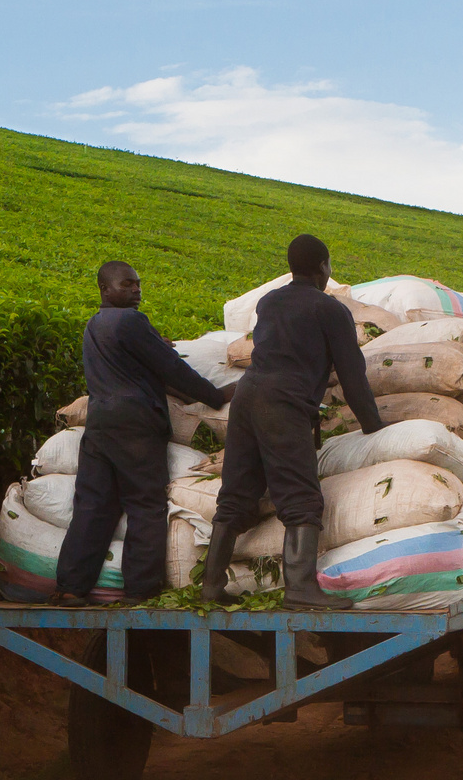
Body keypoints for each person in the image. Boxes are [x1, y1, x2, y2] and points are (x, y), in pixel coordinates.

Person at [203, 235, 386, 610]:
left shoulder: (270, 302)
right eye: (329, 265)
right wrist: (373, 428)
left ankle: (210, 585)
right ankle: (301, 588)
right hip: (282, 404)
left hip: (247, 396)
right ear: (323, 267)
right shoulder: (331, 310)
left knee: (236, 493)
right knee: (301, 497)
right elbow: (353, 375)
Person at [51, 261, 233, 606]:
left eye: (137, 284)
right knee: (145, 504)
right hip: (135, 424)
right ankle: (141, 590)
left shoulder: (95, 325)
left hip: (100, 423)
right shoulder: (132, 321)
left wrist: (155, 346)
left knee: (93, 505)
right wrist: (216, 395)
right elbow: (172, 369)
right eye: (126, 285)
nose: (135, 290)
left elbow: (136, 361)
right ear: (105, 289)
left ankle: (71, 586)